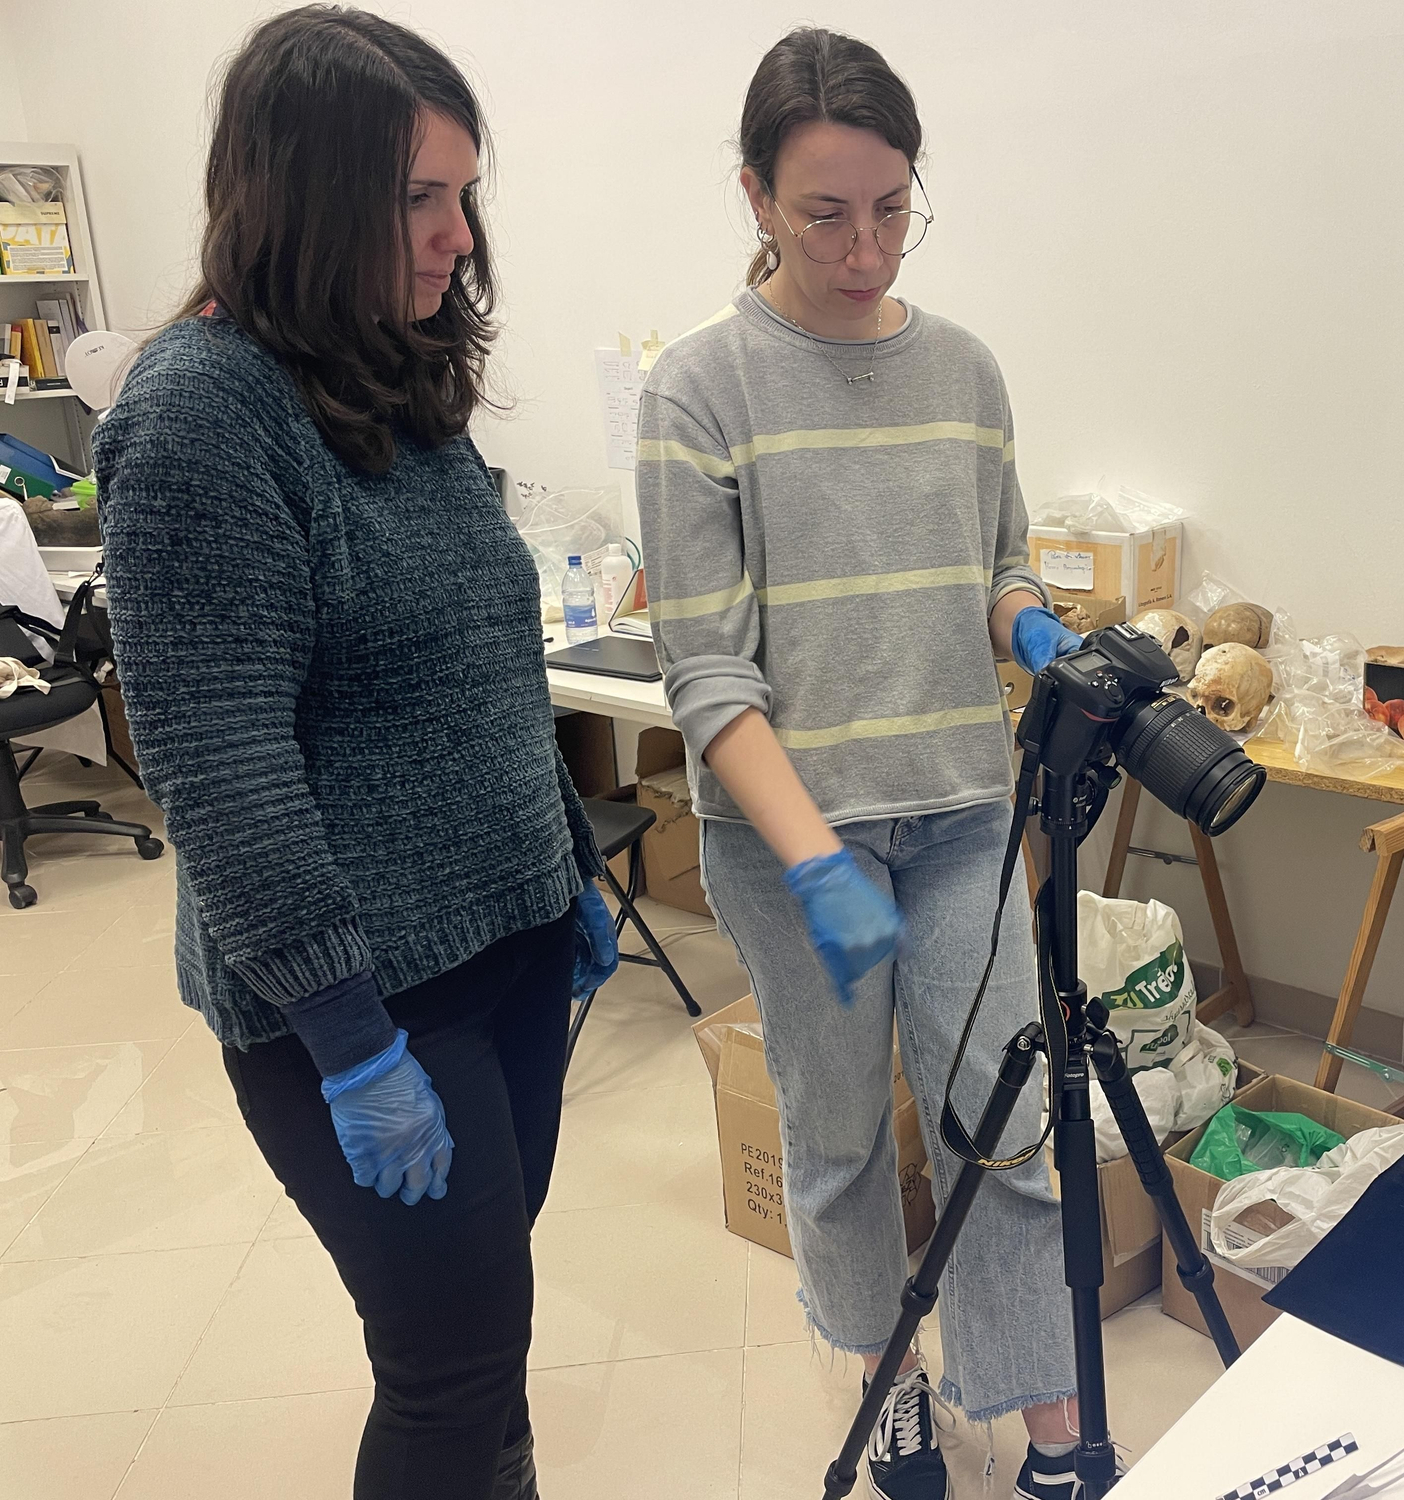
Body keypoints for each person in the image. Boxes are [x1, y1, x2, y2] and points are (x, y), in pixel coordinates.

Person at [94, 9, 614, 1497]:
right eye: (418, 199)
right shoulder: (202, 417)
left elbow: (484, 666)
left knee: (488, 1340)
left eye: (465, 193)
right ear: (304, 195)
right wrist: (349, 1039)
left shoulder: (396, 372)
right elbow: (218, 768)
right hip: (371, 1007)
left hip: (503, 950)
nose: (459, 234)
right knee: (448, 1379)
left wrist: (567, 864)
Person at [636, 27, 1108, 1500]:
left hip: (966, 815)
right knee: (838, 1140)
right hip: (795, 845)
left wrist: (1030, 625)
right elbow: (706, 672)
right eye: (823, 212)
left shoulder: (962, 369)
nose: (863, 246)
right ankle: (885, 1380)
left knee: (1005, 1123)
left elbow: (995, 562)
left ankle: (1039, 1421)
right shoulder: (699, 391)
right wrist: (820, 857)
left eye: (893, 206)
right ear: (754, 198)